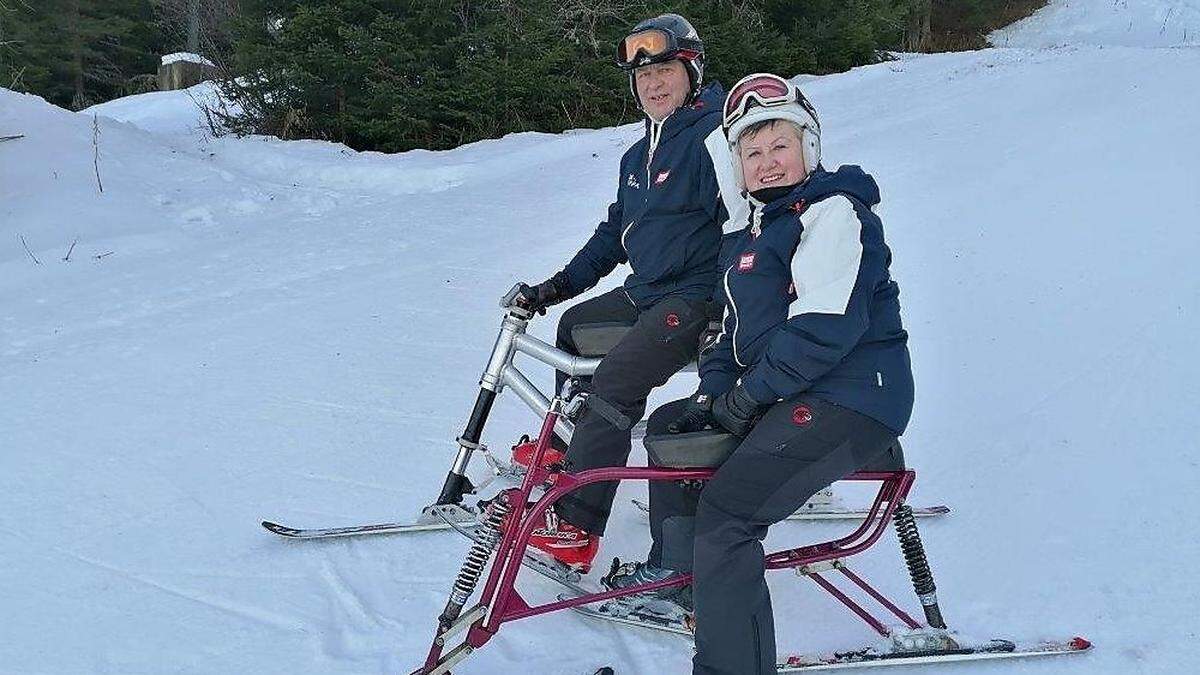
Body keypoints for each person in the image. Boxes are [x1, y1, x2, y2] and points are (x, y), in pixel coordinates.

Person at [604, 73, 915, 675]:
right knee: (672, 428)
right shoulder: (751, 231)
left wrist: (747, 398)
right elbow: (726, 330)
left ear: (809, 148)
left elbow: (824, 330)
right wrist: (714, 392)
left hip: (852, 403)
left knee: (727, 516)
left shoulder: (833, 214)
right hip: (788, 394)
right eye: (752, 152)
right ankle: (679, 573)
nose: (767, 163)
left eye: (780, 147)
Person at [510, 14, 746, 574]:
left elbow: (742, 228)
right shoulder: (638, 155)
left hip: (694, 300)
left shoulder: (715, 138)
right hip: (646, 291)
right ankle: (571, 452)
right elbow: (615, 233)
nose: (652, 84)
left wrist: (725, 310)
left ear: (690, 70)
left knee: (615, 381)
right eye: (642, 77)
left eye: (664, 70)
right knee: (574, 329)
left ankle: (577, 526)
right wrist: (557, 286)